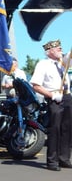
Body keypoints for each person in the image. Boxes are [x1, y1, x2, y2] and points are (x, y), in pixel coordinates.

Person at [30, 39, 72, 171]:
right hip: (54, 97)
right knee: (55, 129)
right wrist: (52, 96)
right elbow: (36, 85)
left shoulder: (63, 63)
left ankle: (64, 158)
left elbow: (70, 57)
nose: (60, 49)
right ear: (49, 51)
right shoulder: (43, 64)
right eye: (57, 48)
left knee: (67, 129)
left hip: (67, 96)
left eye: (60, 47)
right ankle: (52, 161)